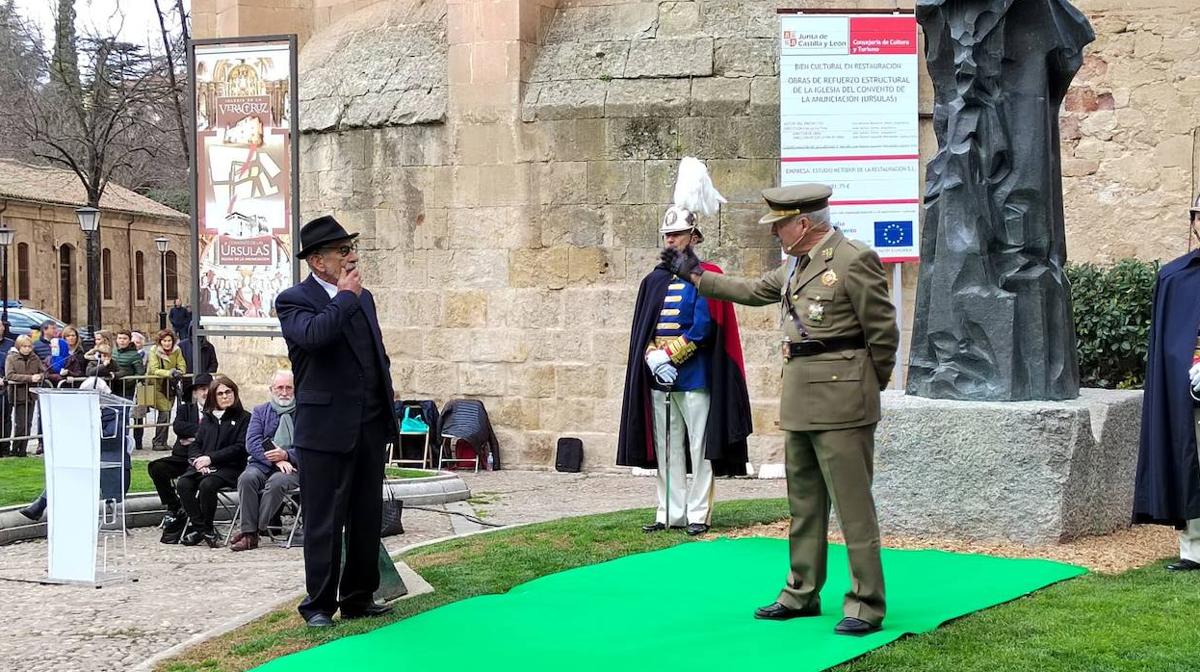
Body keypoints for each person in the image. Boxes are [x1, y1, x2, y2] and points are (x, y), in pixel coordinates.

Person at [662, 184, 899, 636]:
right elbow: (751, 290)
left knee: (853, 508)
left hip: (844, 399)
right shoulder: (795, 266)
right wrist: (695, 276)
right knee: (804, 504)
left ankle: (866, 603)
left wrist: (867, 387)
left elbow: (883, 334)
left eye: (779, 225)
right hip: (801, 397)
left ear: (803, 223)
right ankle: (801, 592)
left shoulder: (852, 259)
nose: (775, 233)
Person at [616, 157, 753, 537]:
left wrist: (671, 356)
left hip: (695, 376)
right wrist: (652, 357)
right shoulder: (653, 281)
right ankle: (668, 511)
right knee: (666, 447)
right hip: (660, 377)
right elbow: (643, 331)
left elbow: (705, 326)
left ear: (693, 237)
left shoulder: (707, 276)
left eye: (676, 236)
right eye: (667, 236)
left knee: (699, 447)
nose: (670, 241)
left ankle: (697, 513)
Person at [276, 215, 399, 628]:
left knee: (365, 517)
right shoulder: (294, 299)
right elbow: (314, 337)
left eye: (352, 248)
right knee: (325, 522)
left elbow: (376, 355)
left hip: (367, 424)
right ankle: (318, 606)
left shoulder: (364, 298)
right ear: (317, 261)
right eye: (343, 251)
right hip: (325, 430)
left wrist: (386, 411)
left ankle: (359, 596)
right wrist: (344, 298)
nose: (352, 257)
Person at [1136, 197, 1200, 571]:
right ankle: (1193, 549)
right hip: (1184, 387)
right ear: (1193, 223)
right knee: (1189, 461)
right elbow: (1167, 340)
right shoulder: (1175, 277)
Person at [175, 374, 250, 547]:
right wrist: (196, 461)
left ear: (235, 393)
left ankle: (202, 530)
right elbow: (196, 443)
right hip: (204, 466)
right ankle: (205, 530)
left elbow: (240, 447)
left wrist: (210, 458)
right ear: (213, 397)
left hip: (230, 467)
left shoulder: (244, 418)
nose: (225, 396)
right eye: (220, 393)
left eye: (228, 392)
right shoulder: (208, 418)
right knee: (183, 484)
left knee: (207, 485)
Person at [232, 369, 300, 551]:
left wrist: (287, 456)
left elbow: (310, 446)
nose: (284, 392)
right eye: (279, 388)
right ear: (272, 389)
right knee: (247, 479)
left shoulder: (305, 412)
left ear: (295, 389)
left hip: (294, 468)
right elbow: (252, 442)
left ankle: (252, 532)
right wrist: (276, 459)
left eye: (288, 388)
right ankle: (250, 533)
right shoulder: (261, 411)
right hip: (262, 464)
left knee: (277, 482)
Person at [148, 373, 212, 544]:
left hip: (203, 460)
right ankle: (174, 506)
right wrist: (201, 433)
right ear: (195, 393)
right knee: (156, 467)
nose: (205, 393)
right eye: (201, 389)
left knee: (196, 481)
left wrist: (195, 436)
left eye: (208, 389)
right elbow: (178, 427)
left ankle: (196, 519)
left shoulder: (218, 413)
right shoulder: (186, 409)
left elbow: (216, 434)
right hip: (181, 458)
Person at [142, 330, 187, 450]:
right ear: (160, 341)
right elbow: (154, 369)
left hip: (169, 386)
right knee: (163, 410)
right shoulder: (154, 350)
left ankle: (161, 442)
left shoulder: (177, 350)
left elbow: (182, 364)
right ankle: (155, 442)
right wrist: (170, 372)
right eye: (164, 341)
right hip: (154, 386)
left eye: (169, 341)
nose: (167, 343)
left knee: (166, 413)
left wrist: (179, 372)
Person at [4, 335, 46, 457]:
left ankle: (23, 450)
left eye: (29, 346)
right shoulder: (11, 358)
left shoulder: (35, 358)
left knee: (28, 424)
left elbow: (43, 371)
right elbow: (10, 375)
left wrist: (40, 376)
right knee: (20, 424)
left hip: (31, 395)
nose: (27, 349)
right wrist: (30, 378)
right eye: (24, 346)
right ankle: (16, 449)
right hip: (18, 395)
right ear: (19, 347)